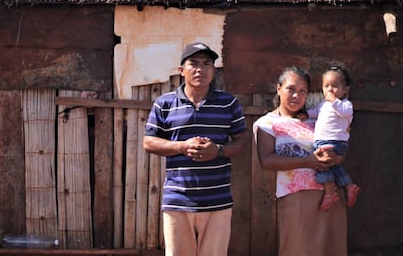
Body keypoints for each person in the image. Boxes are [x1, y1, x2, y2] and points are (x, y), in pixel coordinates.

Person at [143, 42, 249, 256]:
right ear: (181, 70)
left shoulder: (229, 104)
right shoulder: (164, 103)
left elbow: (242, 142)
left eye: (207, 64)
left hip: (217, 199)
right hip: (178, 200)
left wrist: (218, 150)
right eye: (194, 63)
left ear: (214, 70)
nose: (200, 69)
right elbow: (149, 142)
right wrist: (182, 146)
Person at [253, 65, 348, 256]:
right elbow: (267, 160)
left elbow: (339, 148)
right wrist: (308, 161)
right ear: (279, 89)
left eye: (302, 91)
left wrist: (334, 158)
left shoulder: (319, 119)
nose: (296, 95)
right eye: (291, 89)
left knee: (332, 248)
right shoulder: (267, 123)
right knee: (298, 249)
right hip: (296, 196)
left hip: (331, 194)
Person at [305, 66, 361, 211]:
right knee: (334, 166)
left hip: (334, 141)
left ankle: (330, 192)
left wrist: (334, 100)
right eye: (326, 86)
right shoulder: (323, 104)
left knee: (323, 165)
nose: (330, 90)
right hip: (324, 141)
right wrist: (305, 114)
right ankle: (349, 186)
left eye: (335, 86)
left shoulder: (345, 104)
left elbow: (345, 113)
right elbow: (315, 113)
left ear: (345, 90)